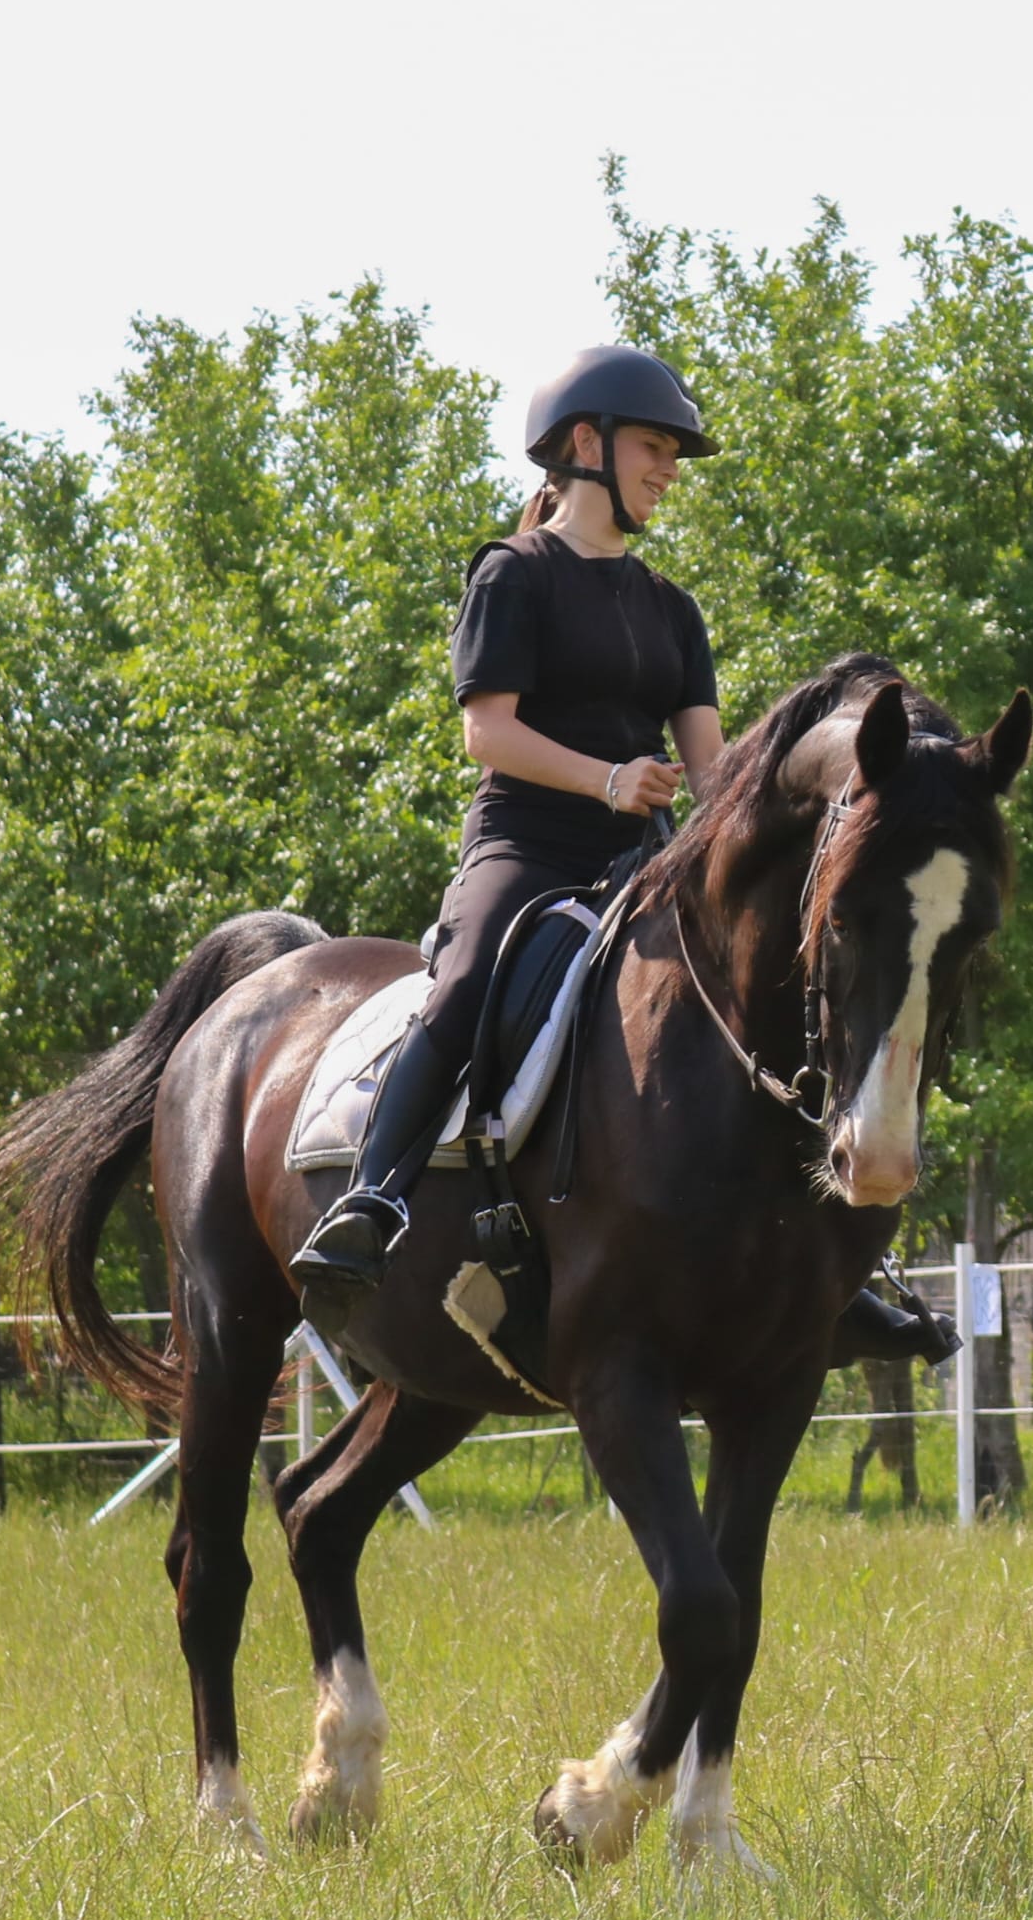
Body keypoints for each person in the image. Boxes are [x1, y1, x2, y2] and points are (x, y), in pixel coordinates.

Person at [291, 345, 725, 1321]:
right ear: (589, 443)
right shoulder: (512, 575)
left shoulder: (675, 610)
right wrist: (609, 777)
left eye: (671, 452)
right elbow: (486, 730)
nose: (667, 468)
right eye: (656, 446)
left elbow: (713, 774)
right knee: (469, 978)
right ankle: (373, 1194)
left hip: (645, 859)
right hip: (526, 848)